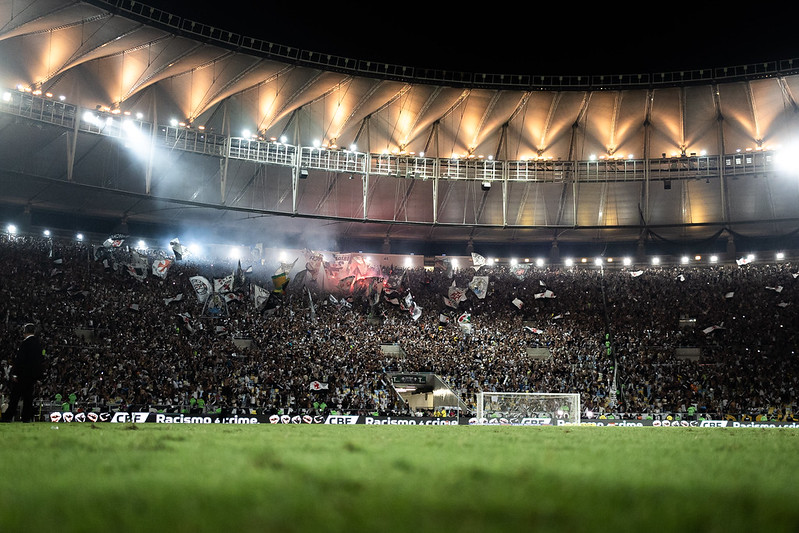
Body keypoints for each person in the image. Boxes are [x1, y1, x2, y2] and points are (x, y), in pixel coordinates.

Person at [1, 323, 46, 423]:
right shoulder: (38, 344)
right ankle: (26, 418)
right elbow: (40, 361)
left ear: (25, 332)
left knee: (15, 396)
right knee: (28, 397)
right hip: (32, 376)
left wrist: (15, 373)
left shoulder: (25, 343)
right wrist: (38, 376)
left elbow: (20, 360)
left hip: (22, 375)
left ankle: (8, 416)